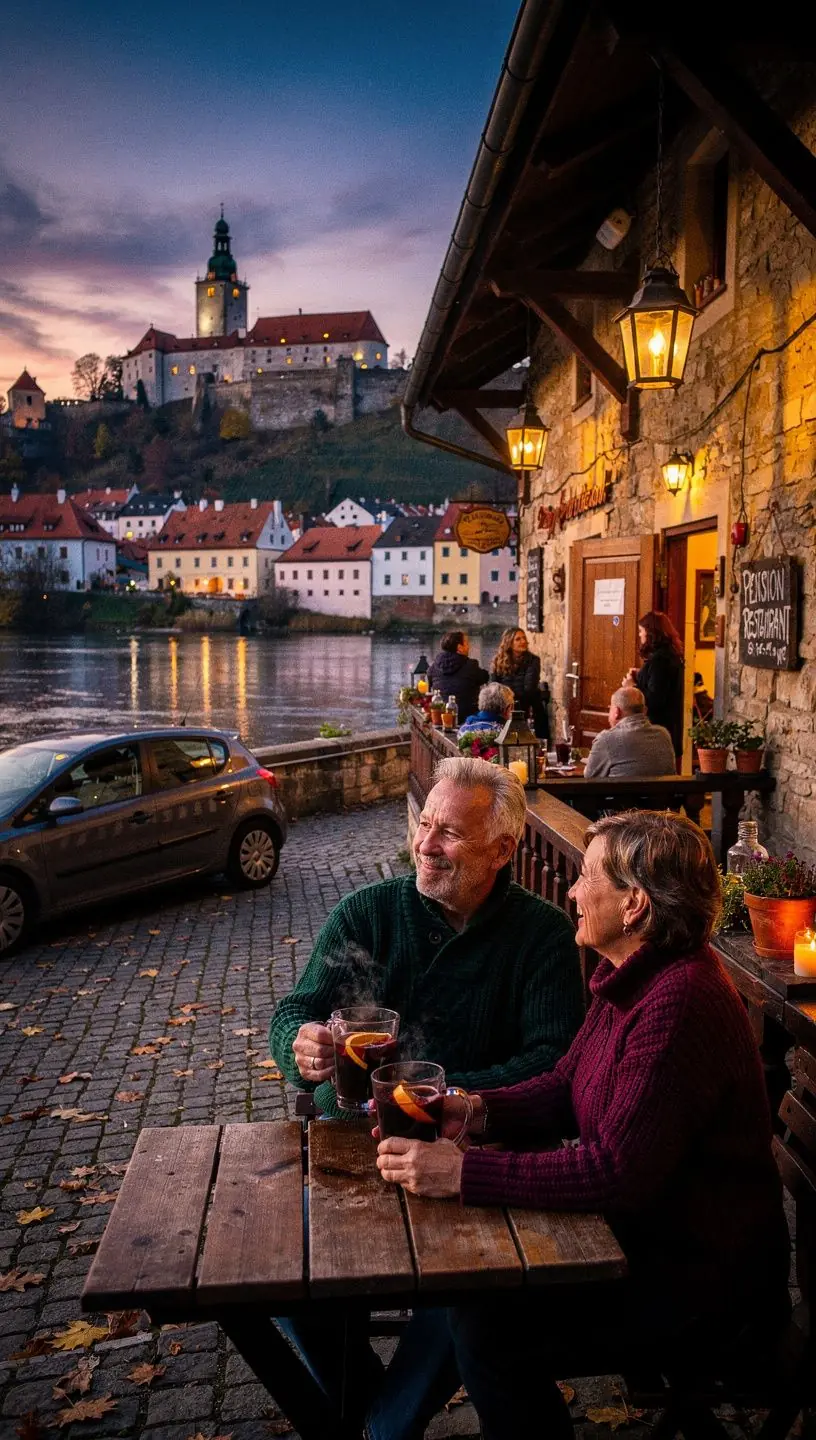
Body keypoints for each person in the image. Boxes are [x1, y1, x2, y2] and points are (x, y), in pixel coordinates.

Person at [377, 811, 791, 1440]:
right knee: (470, 1290)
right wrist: (473, 1107)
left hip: (701, 1283)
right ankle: (381, 1424)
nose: (569, 891)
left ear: (634, 905)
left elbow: (613, 1174)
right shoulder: (632, 977)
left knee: (488, 1325)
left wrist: (465, 1170)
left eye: (586, 877)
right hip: (647, 1244)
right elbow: (566, 1083)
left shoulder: (677, 1004)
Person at [269, 756, 583, 1440]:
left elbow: (552, 1061)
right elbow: (294, 1010)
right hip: (350, 1151)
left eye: (448, 834)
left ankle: (382, 1429)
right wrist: (302, 1045)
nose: (425, 843)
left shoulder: (543, 936)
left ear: (503, 849)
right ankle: (374, 1414)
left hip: (475, 1162)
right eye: (424, 825)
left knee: (467, 1293)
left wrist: (448, 1095)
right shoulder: (370, 911)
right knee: (284, 1287)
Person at [623, 610, 684, 759]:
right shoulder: (669, 655)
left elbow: (655, 699)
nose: (639, 635)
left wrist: (632, 687)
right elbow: (658, 684)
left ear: (651, 633)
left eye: (641, 631)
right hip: (667, 730)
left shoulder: (660, 660)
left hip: (657, 731)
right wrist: (641, 676)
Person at [583, 686, 676, 779]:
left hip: (624, 793)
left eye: (610, 708)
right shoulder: (663, 734)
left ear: (616, 712)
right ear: (645, 711)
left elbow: (590, 776)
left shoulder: (606, 740)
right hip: (660, 793)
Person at [490, 626, 549, 740]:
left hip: (526, 705)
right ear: (509, 643)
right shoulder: (498, 660)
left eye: (524, 638)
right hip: (504, 705)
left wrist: (509, 698)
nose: (523, 641)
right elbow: (494, 686)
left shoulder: (533, 660)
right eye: (518, 639)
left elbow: (529, 688)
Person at [425, 631, 487, 722]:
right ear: (459, 648)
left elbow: (429, 685)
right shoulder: (471, 665)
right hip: (468, 718)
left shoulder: (433, 667)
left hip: (441, 718)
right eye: (466, 643)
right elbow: (485, 677)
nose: (469, 646)